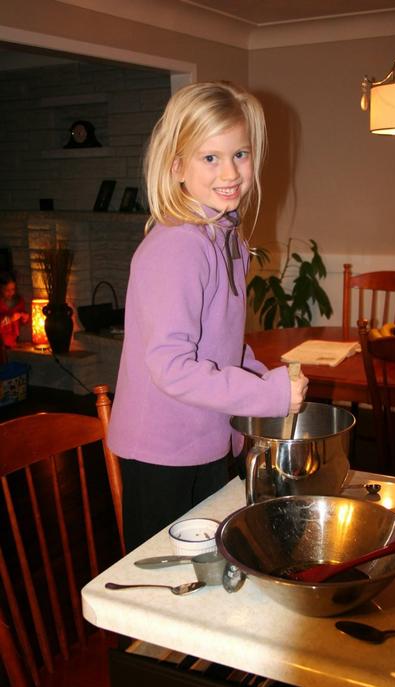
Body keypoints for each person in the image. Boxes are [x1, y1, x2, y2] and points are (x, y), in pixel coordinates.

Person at [108, 81, 308, 552]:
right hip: (162, 453)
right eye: (210, 157)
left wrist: (254, 371)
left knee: (208, 565)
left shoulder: (225, 235)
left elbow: (217, 342)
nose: (231, 172)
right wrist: (267, 394)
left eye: (240, 154)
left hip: (204, 438)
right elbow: (172, 366)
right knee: (166, 589)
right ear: (177, 166)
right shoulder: (178, 246)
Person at [0, 271, 29, 348]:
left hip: (13, 340)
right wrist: (9, 319)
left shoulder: (19, 301)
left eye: (13, 289)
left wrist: (24, 318)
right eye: (7, 290)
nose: (11, 293)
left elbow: (23, 321)